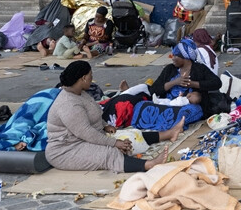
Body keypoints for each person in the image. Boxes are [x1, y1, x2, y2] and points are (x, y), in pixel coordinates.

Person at [45, 61, 182, 174]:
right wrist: (114, 143)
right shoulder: (68, 104)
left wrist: (105, 125)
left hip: (85, 139)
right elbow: (86, 133)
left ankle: (169, 134)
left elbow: (94, 112)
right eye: (91, 76)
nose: (92, 79)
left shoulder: (80, 93)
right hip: (66, 150)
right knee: (110, 153)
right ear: (83, 78)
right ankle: (148, 164)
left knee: (130, 136)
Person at [149, 38, 222, 99]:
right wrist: (174, 82)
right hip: (168, 104)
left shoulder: (199, 69)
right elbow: (153, 90)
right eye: (172, 56)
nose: (173, 58)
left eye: (176, 56)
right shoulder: (169, 69)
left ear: (186, 57)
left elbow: (217, 83)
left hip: (191, 107)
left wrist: (192, 84)